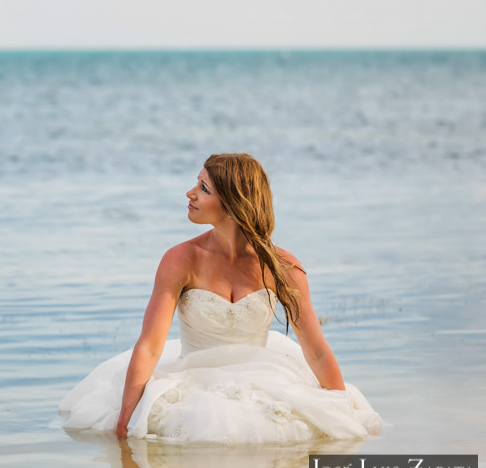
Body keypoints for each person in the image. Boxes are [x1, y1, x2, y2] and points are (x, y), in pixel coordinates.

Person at [59, 153, 382, 442]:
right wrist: (125, 417)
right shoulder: (181, 259)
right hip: (193, 381)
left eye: (203, 188)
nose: (190, 193)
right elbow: (150, 345)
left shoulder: (283, 266)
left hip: (266, 378)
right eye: (197, 184)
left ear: (233, 204)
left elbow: (316, 352)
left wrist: (341, 408)